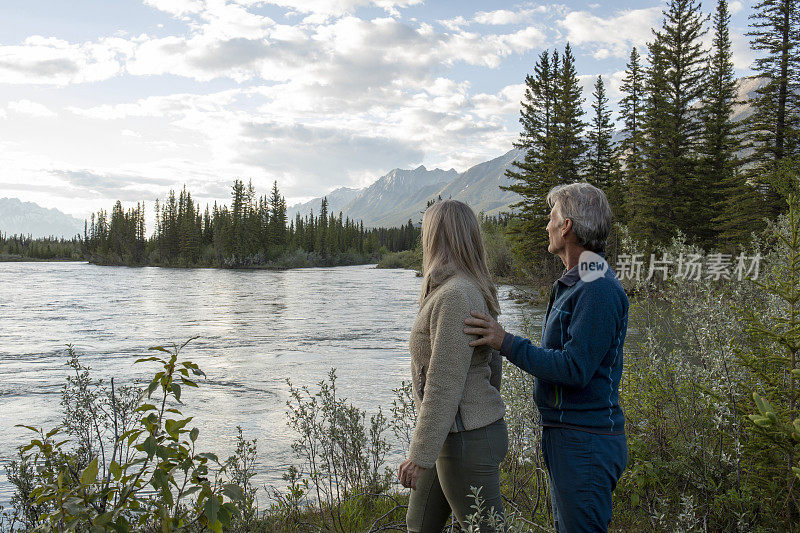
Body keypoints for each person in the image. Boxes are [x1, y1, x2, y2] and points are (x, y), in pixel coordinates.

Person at [464, 182, 629, 532]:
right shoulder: (578, 280)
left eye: (551, 217)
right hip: (569, 435)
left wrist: (505, 342)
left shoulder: (596, 288)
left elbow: (574, 368)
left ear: (566, 226)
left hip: (584, 441)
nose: (547, 225)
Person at [398, 199, 508, 532]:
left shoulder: (456, 295)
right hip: (451, 434)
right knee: (419, 525)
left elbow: (444, 381)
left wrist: (418, 454)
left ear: (436, 237)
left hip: (465, 439)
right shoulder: (457, 289)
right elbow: (494, 367)